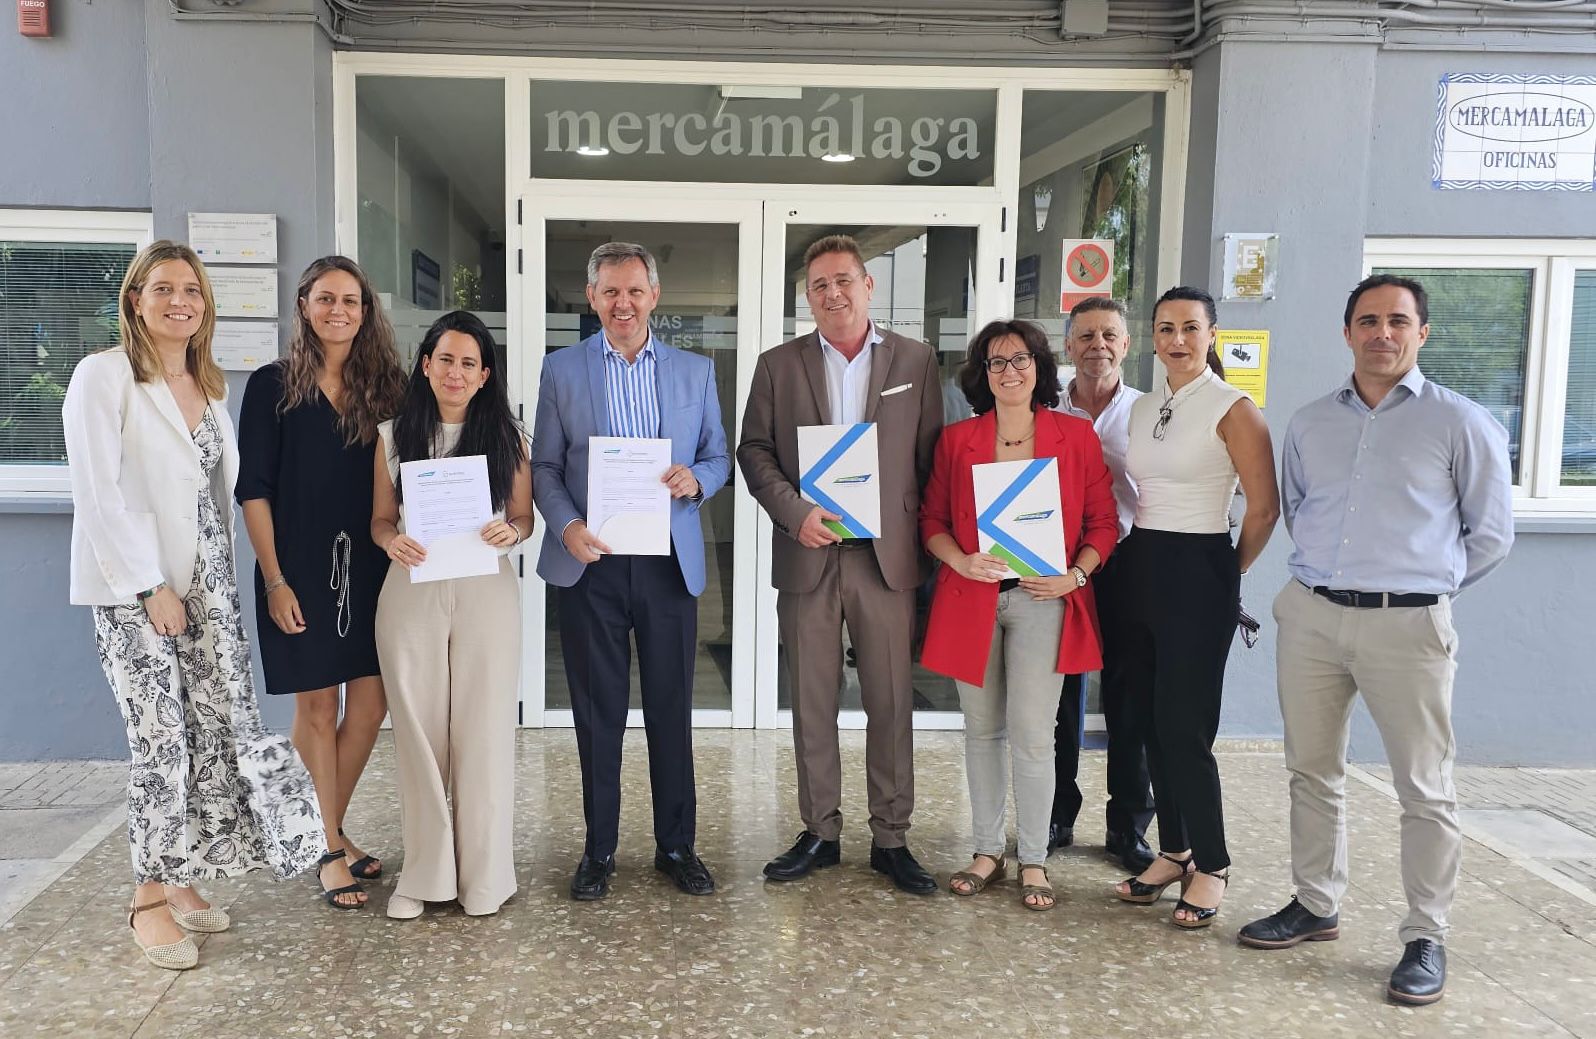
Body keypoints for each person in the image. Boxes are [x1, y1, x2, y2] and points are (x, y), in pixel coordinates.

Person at [1238, 275, 1513, 1006]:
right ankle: (1315, 903)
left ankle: (1426, 934)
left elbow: (1490, 535)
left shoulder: (1461, 422)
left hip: (1409, 625)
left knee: (1424, 786)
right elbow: (1300, 508)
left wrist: (1422, 588)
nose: (1381, 333)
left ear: (1422, 332)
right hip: (1314, 616)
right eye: (1367, 320)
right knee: (1311, 770)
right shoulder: (1308, 423)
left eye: (1397, 320)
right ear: (1347, 332)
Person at [63, 241, 323, 970]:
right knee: (161, 739)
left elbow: (211, 495)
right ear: (135, 298)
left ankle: (180, 876)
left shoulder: (207, 385)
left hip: (208, 584)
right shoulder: (103, 376)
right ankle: (147, 898)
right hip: (138, 589)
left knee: (212, 731)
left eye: (192, 290)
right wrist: (150, 587)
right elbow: (98, 494)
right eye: (163, 288)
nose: (180, 301)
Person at [738, 234, 944, 895]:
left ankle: (892, 837)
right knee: (811, 701)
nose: (833, 294)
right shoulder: (778, 365)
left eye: (844, 281)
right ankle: (820, 831)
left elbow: (931, 457)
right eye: (820, 285)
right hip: (811, 553)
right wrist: (794, 512)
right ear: (808, 296)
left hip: (886, 559)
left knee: (891, 700)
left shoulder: (915, 359)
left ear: (868, 286)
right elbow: (754, 451)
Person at [532, 242, 730, 901]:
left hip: (667, 563)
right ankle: (599, 850)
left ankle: (677, 846)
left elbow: (718, 456)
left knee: (672, 709)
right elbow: (545, 466)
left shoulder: (694, 372)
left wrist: (696, 479)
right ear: (592, 297)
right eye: (610, 291)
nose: (623, 303)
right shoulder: (561, 369)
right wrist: (566, 525)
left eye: (634, 291)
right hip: (592, 563)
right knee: (598, 713)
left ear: (654, 296)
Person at [919, 320, 1119, 910]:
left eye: (1020, 359)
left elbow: (1104, 523)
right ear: (982, 374)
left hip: (1043, 600)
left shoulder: (1073, 435)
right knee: (981, 731)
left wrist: (1074, 575)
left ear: (1039, 367)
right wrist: (960, 560)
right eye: (997, 362)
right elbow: (931, 521)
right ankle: (987, 851)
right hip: (974, 597)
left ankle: (1033, 857)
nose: (1009, 371)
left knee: (1034, 735)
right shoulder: (958, 440)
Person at [237, 256, 406, 910]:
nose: (339, 310)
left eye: (351, 300)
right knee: (316, 707)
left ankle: (324, 830)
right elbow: (254, 491)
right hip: (298, 569)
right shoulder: (272, 386)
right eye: (326, 298)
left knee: (370, 705)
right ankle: (330, 847)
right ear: (304, 305)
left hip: (373, 566)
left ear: (366, 312)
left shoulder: (387, 389)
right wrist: (274, 580)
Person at [1110, 286, 1279, 928]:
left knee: (1185, 727)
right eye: (1165, 328)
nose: (1176, 340)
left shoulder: (1234, 407)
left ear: (1212, 335)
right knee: (1148, 721)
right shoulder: (1144, 405)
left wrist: (1226, 575)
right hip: (1142, 562)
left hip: (1201, 563)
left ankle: (1213, 862)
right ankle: (1174, 850)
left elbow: (1264, 508)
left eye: (1189, 327)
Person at [371, 310, 532, 920]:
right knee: (418, 735)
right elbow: (379, 520)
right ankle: (424, 874)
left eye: (469, 363)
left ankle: (485, 878)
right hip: (411, 591)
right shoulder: (393, 436)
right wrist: (390, 540)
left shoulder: (510, 438)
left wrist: (512, 532)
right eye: (445, 360)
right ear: (425, 365)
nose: (456, 372)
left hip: (486, 592)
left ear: (485, 374)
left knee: (484, 734)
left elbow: (525, 518)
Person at [1049, 297, 1156, 874]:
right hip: (1058, 564)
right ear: (1068, 345)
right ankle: (1057, 813)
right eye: (1086, 336)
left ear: (1126, 344)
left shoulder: (1148, 413)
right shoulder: (1045, 409)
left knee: (1129, 697)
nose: (1098, 346)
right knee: (1060, 695)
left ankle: (1128, 825)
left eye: (1109, 335)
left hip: (1129, 563)